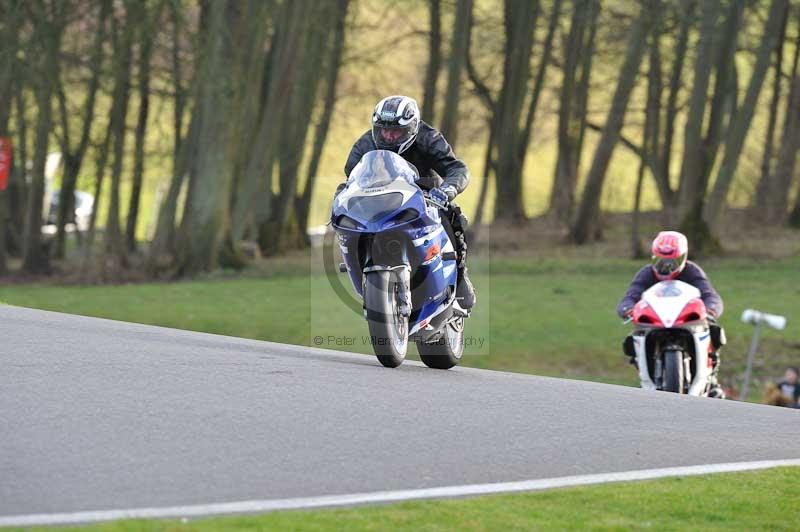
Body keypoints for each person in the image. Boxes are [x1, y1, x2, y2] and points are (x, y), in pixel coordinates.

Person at [337, 95, 475, 310]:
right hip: (380, 200)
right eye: (384, 130)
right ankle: (361, 266)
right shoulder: (365, 144)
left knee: (453, 215)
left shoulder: (428, 138)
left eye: (396, 132)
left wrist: (447, 189)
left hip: (425, 195)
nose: (389, 136)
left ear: (412, 128)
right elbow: (351, 177)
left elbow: (457, 168)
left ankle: (460, 275)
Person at [617, 231, 725, 397]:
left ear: (683, 258)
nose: (666, 266)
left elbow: (709, 294)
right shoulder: (646, 274)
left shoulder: (692, 272)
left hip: (684, 319)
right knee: (632, 339)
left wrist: (711, 309)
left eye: (673, 261)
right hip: (657, 320)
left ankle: (712, 379)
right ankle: (644, 372)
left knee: (714, 331)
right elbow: (631, 295)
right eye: (660, 261)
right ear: (653, 257)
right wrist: (627, 309)